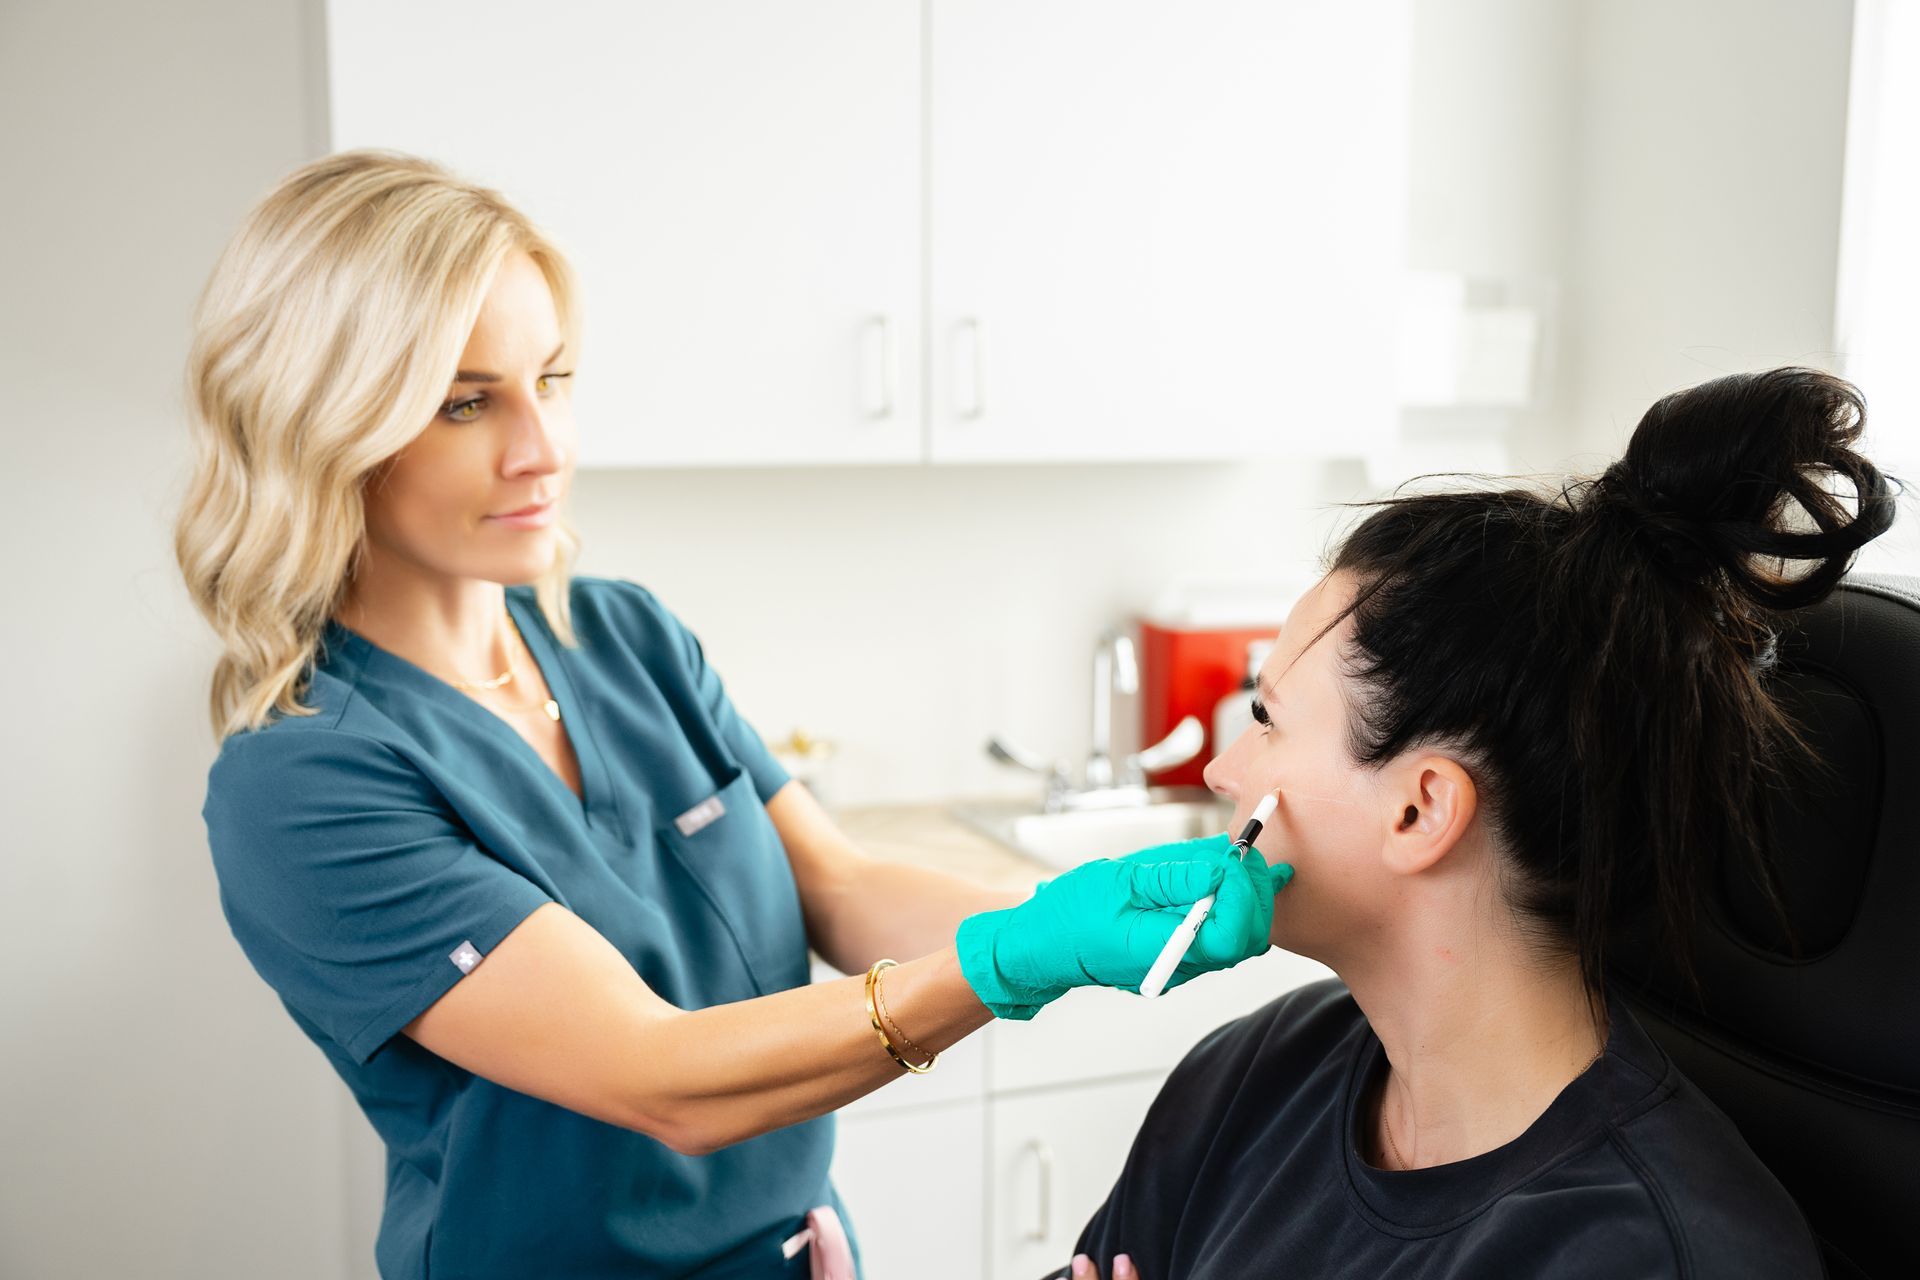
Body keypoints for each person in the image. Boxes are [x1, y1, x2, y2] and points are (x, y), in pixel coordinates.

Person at [174, 149, 1291, 1280]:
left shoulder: (620, 637)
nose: (543, 446)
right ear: (321, 425)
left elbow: (842, 888)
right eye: (467, 402)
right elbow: (661, 1074)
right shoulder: (304, 777)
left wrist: (1085, 908)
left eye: (552, 380)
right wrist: (1017, 955)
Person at [1052, 366, 1893, 1279]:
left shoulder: (1655, 1258)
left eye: (1265, 720)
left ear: (1420, 810)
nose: (1221, 770)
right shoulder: (1258, 1073)